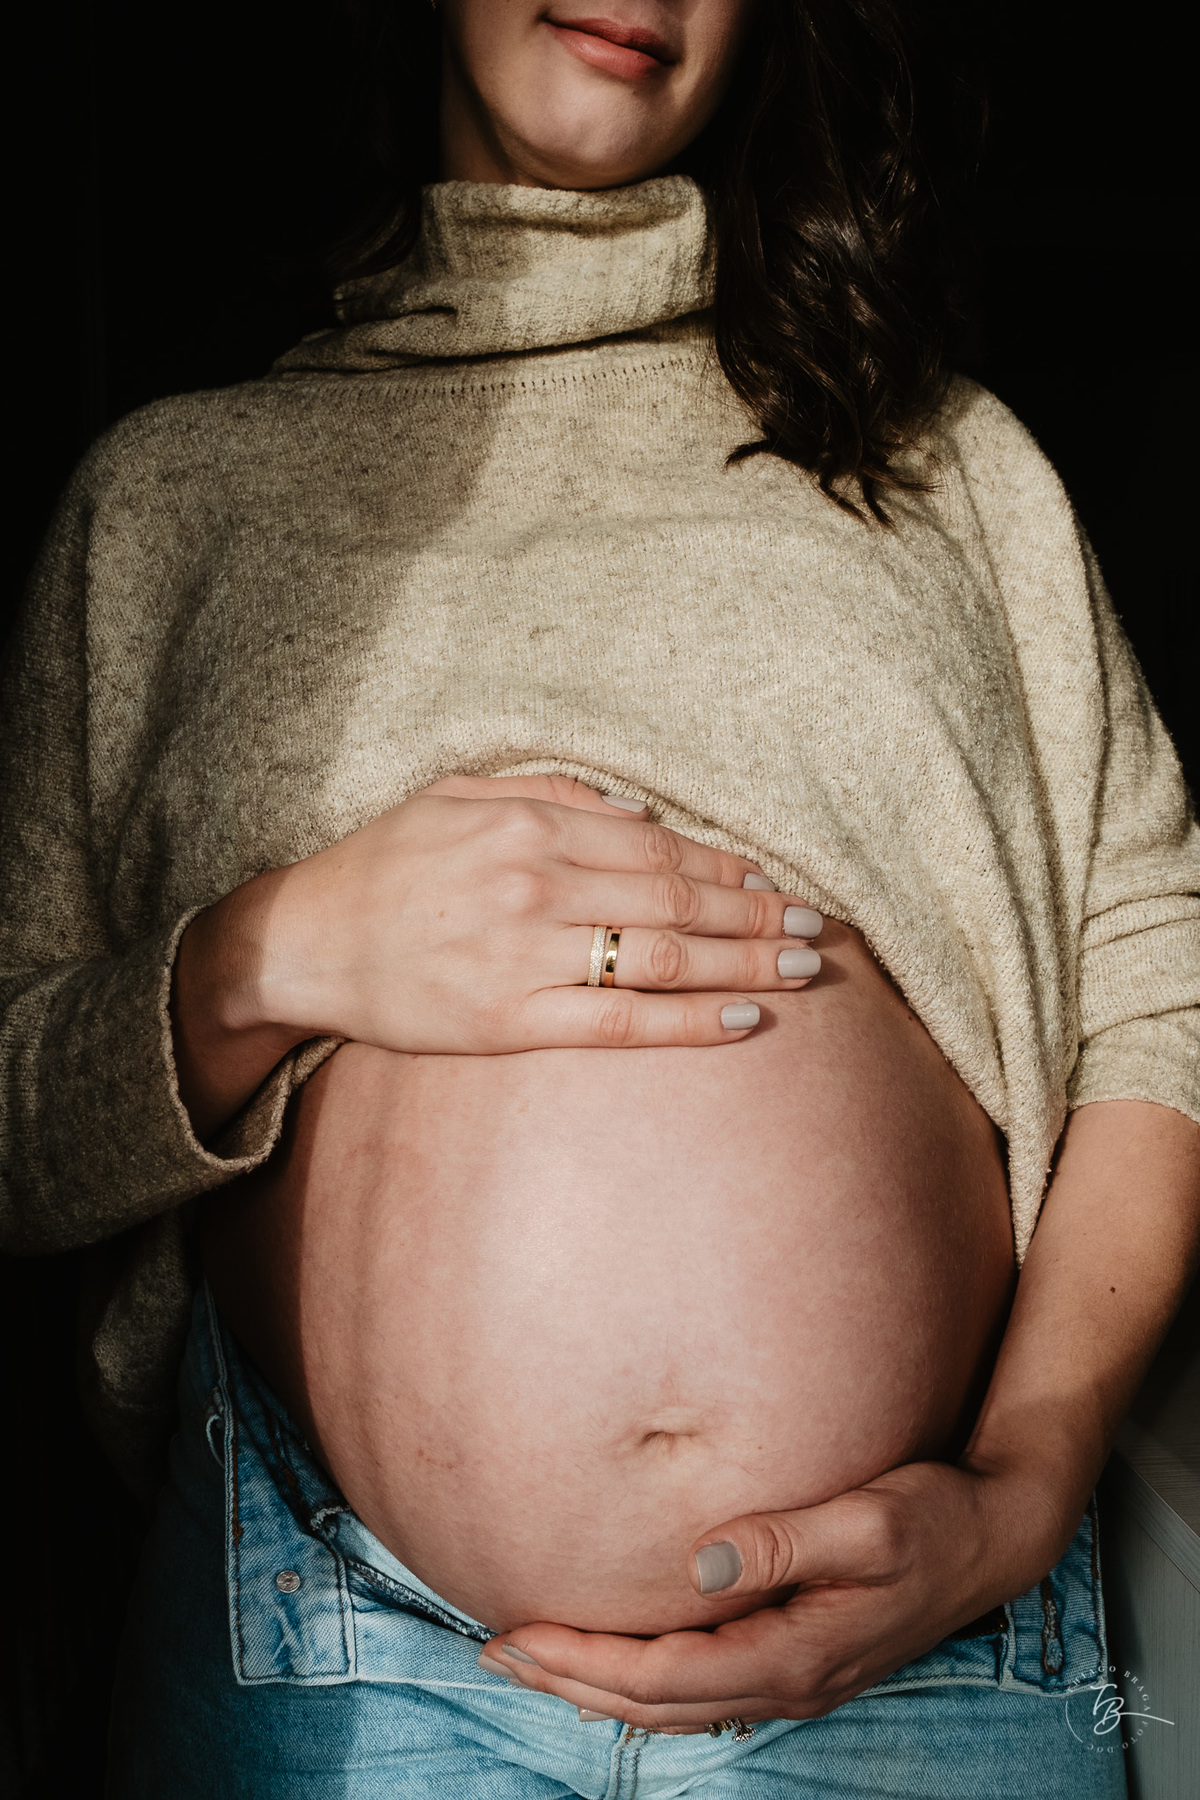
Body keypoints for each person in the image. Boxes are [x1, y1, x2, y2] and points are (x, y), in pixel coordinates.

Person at [2, 2, 1197, 1795]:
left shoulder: (950, 468)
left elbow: (1162, 990)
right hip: (343, 1660)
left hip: (927, 1648)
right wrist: (281, 956)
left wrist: (1024, 1488)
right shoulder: (169, 499)